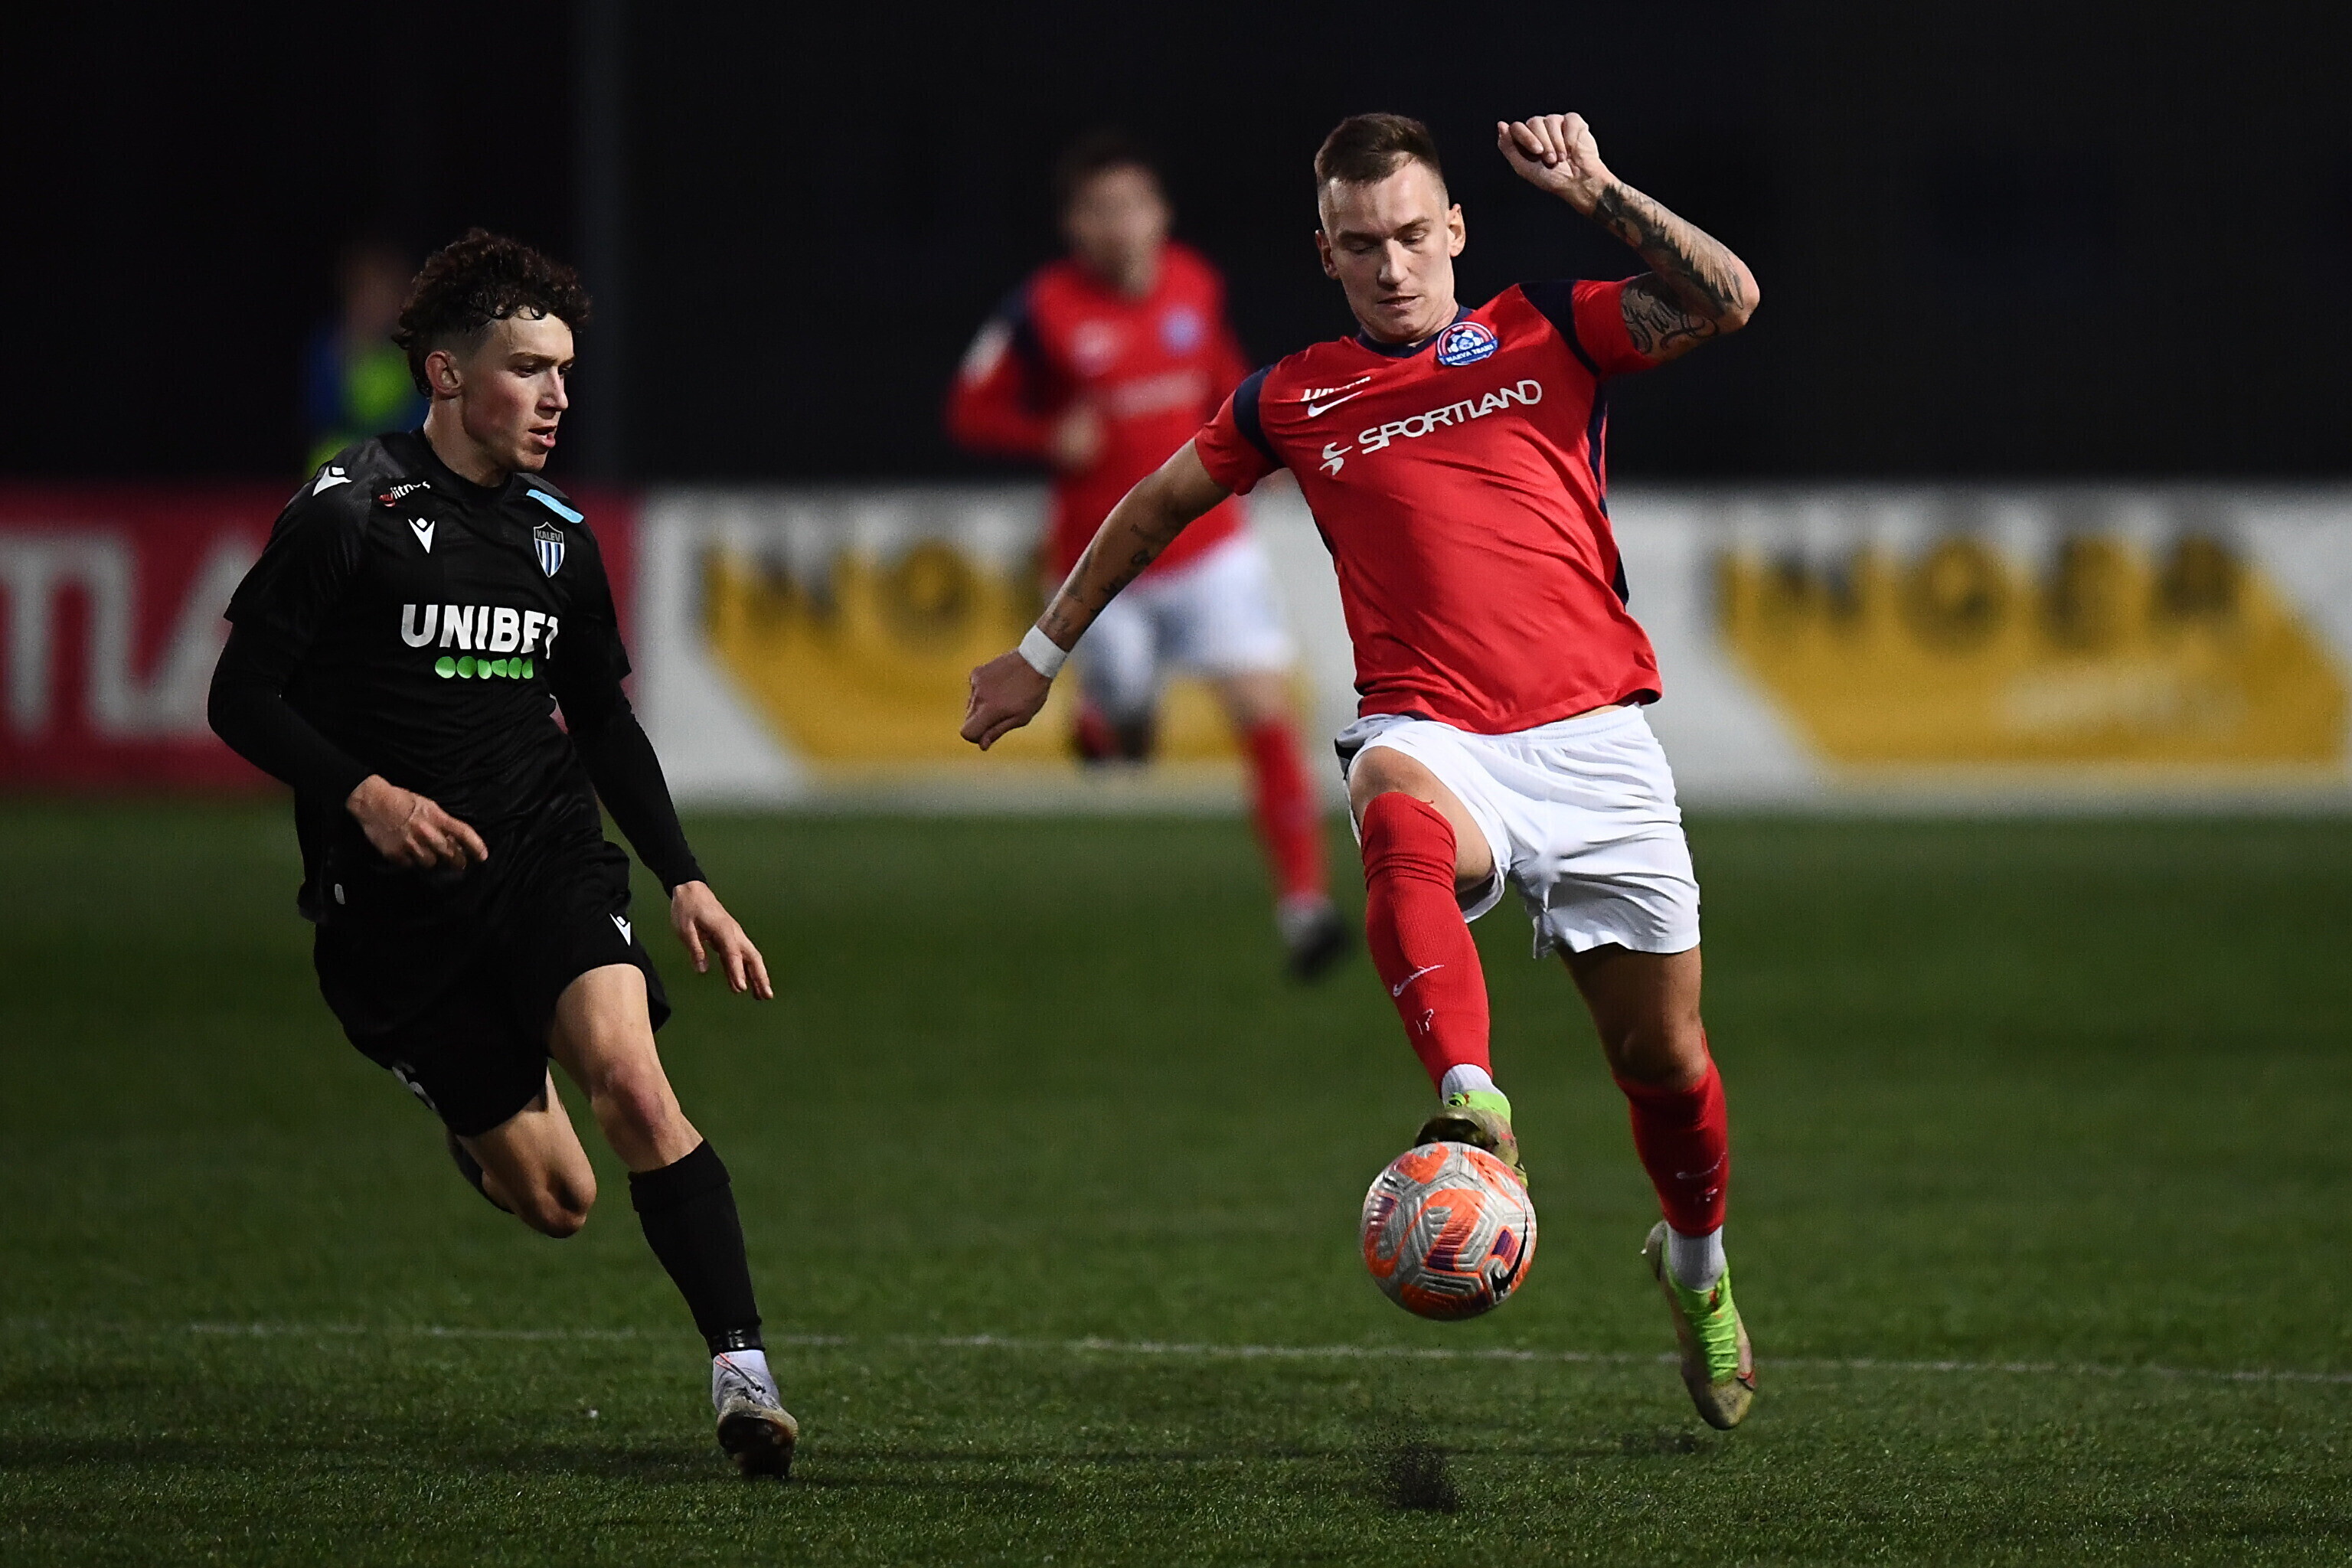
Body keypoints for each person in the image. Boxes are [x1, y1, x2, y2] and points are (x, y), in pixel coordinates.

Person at [963, 113, 1763, 1428]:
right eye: (1360, 244)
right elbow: (1155, 503)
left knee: (1667, 1066)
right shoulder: (1292, 395)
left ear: (1454, 231)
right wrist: (1040, 654)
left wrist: (1599, 189)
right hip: (1432, 727)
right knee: (1391, 806)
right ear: (1324, 254)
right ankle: (1470, 1099)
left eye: (1410, 235)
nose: (1391, 264)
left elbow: (1726, 300)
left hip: (1595, 741)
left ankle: (1696, 1269)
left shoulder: (1547, 330)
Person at [210, 230, 799, 1477]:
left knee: (635, 1088)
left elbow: (601, 723)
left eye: (565, 371)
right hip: (395, 910)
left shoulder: (557, 537)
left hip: (545, 855)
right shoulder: (348, 513)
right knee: (560, 1200)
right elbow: (241, 698)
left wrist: (685, 875)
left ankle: (744, 1376)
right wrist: (363, 793)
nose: (556, 396)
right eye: (529, 369)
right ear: (445, 373)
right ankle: (475, 1120)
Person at [946, 131, 1348, 980]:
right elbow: (970, 408)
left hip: (1209, 549)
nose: (1121, 223)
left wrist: (1273, 446)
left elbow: (1222, 376)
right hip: (1104, 568)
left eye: (1133, 204)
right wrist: (1048, 434)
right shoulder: (1040, 310)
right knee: (1129, 739)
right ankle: (1106, 727)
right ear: (1073, 224)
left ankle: (1306, 909)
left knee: (1265, 708)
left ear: (1161, 213)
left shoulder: (1195, 283)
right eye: (1102, 209)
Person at [304, 241, 430, 473]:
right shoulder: (332, 345)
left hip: (400, 468)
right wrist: (346, 354)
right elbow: (319, 413)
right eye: (364, 292)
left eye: (384, 292)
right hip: (341, 465)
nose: (373, 303)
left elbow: (423, 420)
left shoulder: (420, 350)